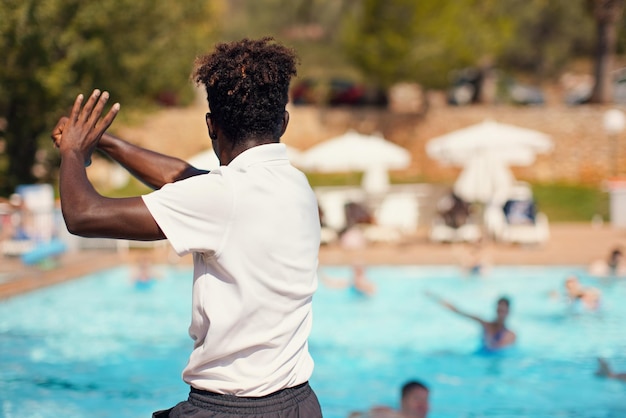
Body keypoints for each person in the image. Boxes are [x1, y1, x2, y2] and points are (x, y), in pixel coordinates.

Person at [51, 37, 322, 417]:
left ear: (212, 126)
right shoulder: (294, 184)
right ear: (284, 120)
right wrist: (105, 142)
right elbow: (187, 180)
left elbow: (83, 214)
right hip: (299, 404)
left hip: (230, 410)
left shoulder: (223, 196)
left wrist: (72, 153)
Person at [427, 293, 516, 353]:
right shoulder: (485, 324)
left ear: (508, 312)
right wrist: (436, 299)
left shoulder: (511, 335)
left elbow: (497, 350)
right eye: (498, 311)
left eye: (502, 311)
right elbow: (459, 311)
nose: (500, 314)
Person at [355, 380, 430, 418]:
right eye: (417, 399)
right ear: (402, 401)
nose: (422, 404)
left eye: (425, 399)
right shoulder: (385, 415)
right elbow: (354, 415)